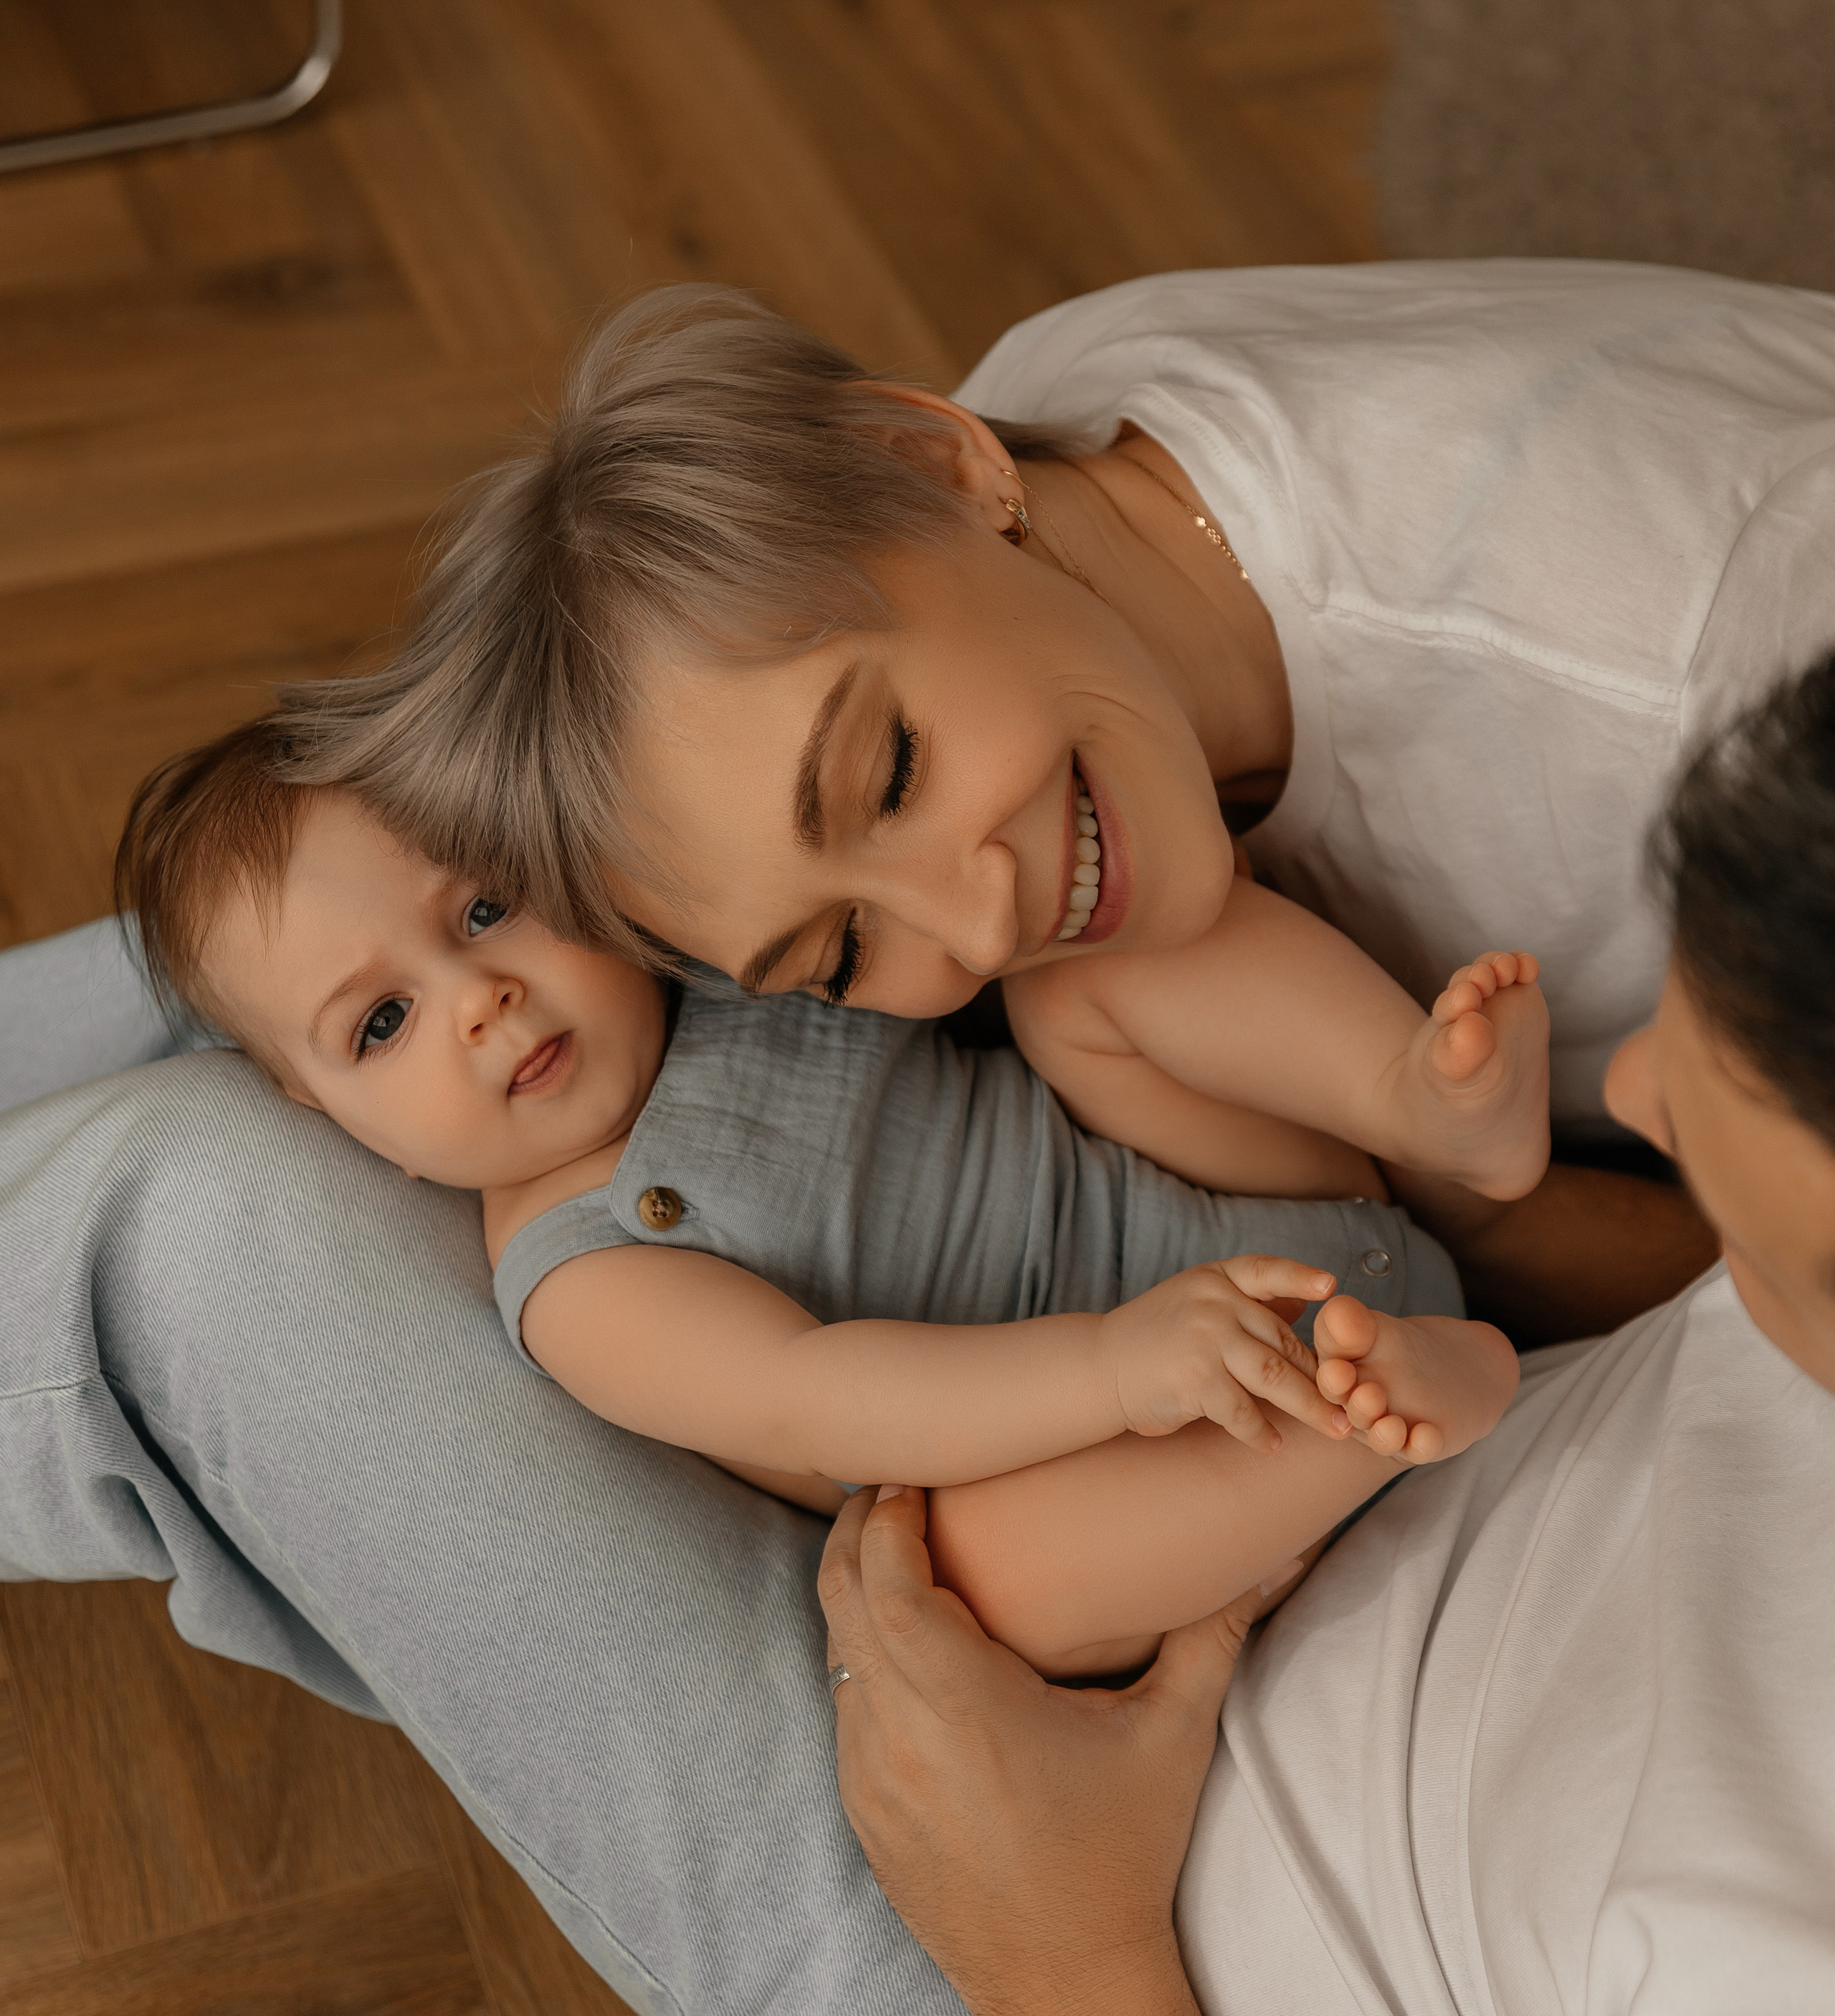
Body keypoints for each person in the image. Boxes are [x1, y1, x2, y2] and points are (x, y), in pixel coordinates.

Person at [275, 260, 1835, 1336]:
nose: (978, 923)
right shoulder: (1020, 458)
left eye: (883, 775)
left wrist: (1473, 1209)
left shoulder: (1678, 677)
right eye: (831, 959)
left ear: (938, 464)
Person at [816, 655, 1835, 2012]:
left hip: (1064, 1903)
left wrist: (1056, 1959)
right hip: (1402, 1446)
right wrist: (1447, 1208)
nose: (1632, 1092)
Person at [114, 715, 1523, 1675]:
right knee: (980, 1580)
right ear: (327, 1110)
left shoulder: (713, 946)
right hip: (1140, 1433)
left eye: (484, 908)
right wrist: (1112, 1362)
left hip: (1241, 1175)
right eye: (379, 1025)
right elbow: (822, 1397)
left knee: (1087, 967)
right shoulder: (584, 1278)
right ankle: (1388, 1407)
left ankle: (1410, 1092)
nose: (479, 1001)